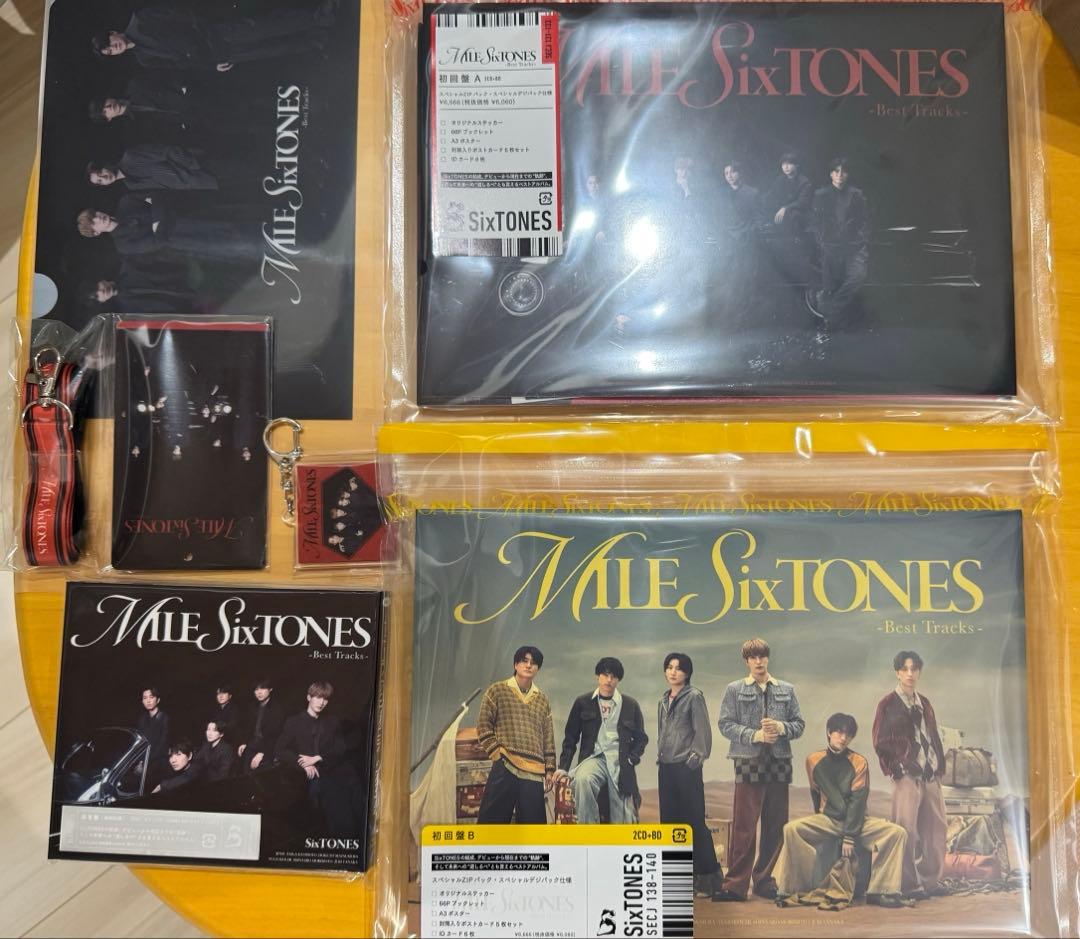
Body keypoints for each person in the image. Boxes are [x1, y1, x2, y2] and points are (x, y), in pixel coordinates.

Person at [774, 713, 909, 910]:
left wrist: (849, 837)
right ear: (829, 733)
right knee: (791, 829)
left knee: (898, 833)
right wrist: (820, 817)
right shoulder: (813, 760)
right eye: (839, 732)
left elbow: (858, 802)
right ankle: (791, 889)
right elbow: (815, 793)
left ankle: (882, 891)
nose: (843, 738)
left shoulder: (859, 762)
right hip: (828, 820)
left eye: (848, 734)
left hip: (858, 821)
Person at [715, 638, 805, 902]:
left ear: (768, 658)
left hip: (779, 762)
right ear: (746, 661)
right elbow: (725, 724)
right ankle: (735, 885)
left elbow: (799, 724)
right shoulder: (734, 689)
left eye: (762, 656)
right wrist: (755, 735)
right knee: (744, 825)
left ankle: (764, 880)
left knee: (775, 825)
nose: (758, 661)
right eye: (753, 657)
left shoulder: (787, 689)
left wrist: (781, 728)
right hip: (748, 762)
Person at [872, 651, 948, 900]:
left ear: (919, 672)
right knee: (905, 830)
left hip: (930, 774)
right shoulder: (887, 704)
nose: (910, 674)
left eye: (914, 669)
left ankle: (930, 881)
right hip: (906, 776)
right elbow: (880, 741)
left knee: (936, 829)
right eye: (905, 669)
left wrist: (939, 766)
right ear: (897, 672)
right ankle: (908, 884)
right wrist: (897, 768)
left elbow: (933, 736)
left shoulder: (925, 703)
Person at [90, 1, 340, 72]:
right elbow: (182, 64)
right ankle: (316, 39)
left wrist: (208, 32)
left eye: (110, 43)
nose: (115, 48)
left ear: (113, 33)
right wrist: (212, 64)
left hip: (214, 33)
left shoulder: (141, 19)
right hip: (216, 55)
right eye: (110, 52)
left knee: (267, 27)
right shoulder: (143, 58)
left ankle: (319, 16)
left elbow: (181, 14)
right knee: (269, 49)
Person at [656, 652, 723, 898]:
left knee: (693, 822)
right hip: (666, 767)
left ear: (687, 673)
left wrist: (692, 762)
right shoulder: (663, 700)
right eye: (669, 667)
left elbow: (703, 732)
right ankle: (678, 879)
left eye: (679, 668)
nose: (673, 672)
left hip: (686, 768)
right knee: (670, 822)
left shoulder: (694, 696)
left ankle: (708, 880)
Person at [556, 656, 648, 824]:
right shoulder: (582, 702)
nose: (609, 680)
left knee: (624, 816)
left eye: (613, 676)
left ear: (618, 680)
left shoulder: (630, 705)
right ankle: (589, 831)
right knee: (583, 779)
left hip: (620, 761)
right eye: (605, 675)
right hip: (593, 759)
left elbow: (641, 738)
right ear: (598, 676)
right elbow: (570, 738)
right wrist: (563, 767)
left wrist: (631, 759)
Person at [475, 646, 557, 824]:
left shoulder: (543, 700)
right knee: (492, 823)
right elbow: (483, 725)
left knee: (533, 828)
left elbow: (548, 737)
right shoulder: (497, 690)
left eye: (533, 663)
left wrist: (550, 769)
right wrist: (497, 754)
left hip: (534, 771)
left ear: (537, 668)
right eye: (524, 661)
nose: (528, 665)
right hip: (506, 764)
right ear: (515, 664)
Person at [275, 680, 358, 835]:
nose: (321, 703)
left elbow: (340, 749)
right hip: (303, 777)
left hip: (330, 772)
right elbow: (279, 749)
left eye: (325, 699)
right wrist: (303, 763)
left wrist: (318, 758)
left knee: (346, 801)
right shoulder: (293, 721)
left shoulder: (333, 721)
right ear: (309, 697)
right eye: (318, 697)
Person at [76, 195, 256, 261]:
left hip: (185, 214)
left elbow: (156, 197)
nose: (99, 217)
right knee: (227, 243)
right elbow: (157, 243)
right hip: (183, 238)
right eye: (94, 222)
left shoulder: (126, 202)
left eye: (95, 214)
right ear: (96, 232)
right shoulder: (123, 244)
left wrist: (156, 224)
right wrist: (157, 215)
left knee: (229, 220)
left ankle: (259, 228)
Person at [807, 156, 871, 323]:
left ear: (848, 175)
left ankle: (831, 309)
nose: (840, 175)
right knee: (829, 283)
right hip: (830, 246)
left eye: (843, 172)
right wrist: (822, 241)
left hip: (853, 247)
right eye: (836, 171)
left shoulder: (856, 194)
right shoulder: (821, 195)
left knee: (858, 276)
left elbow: (865, 220)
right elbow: (815, 222)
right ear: (831, 174)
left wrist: (861, 239)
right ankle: (830, 314)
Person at [87, 144, 218, 191]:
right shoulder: (131, 185)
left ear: (105, 165)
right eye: (100, 181)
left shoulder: (130, 156)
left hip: (203, 166)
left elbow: (168, 151)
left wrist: (196, 167)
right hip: (203, 183)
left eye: (100, 173)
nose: (104, 177)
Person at [237, 679, 284, 773]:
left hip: (268, 747)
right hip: (252, 744)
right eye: (256, 689)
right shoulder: (252, 707)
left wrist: (263, 753)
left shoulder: (277, 708)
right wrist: (244, 742)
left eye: (262, 688)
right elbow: (247, 728)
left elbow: (276, 736)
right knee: (244, 771)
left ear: (270, 689)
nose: (259, 692)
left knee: (260, 773)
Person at [765, 152, 813, 232]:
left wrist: (785, 208)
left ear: (797, 165)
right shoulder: (780, 180)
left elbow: (802, 202)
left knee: (795, 215)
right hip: (781, 211)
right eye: (783, 164)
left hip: (797, 213)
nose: (786, 167)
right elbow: (772, 194)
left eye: (789, 164)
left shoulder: (804, 182)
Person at [135, 686, 170, 776]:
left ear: (158, 700)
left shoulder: (164, 718)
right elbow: (140, 743)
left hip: (158, 761)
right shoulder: (142, 719)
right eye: (145, 698)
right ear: (142, 701)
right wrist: (140, 762)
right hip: (144, 760)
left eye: (151, 697)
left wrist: (145, 763)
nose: (148, 701)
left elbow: (162, 745)